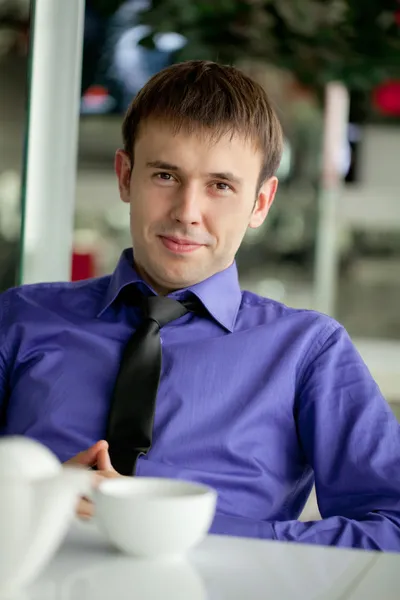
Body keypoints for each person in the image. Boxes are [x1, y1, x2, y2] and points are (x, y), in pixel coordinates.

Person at [1, 60, 399, 551]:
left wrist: (171, 521)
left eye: (221, 185)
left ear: (260, 203)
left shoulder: (309, 352)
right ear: (126, 177)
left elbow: (393, 526)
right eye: (165, 175)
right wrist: (26, 498)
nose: (187, 212)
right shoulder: (18, 319)